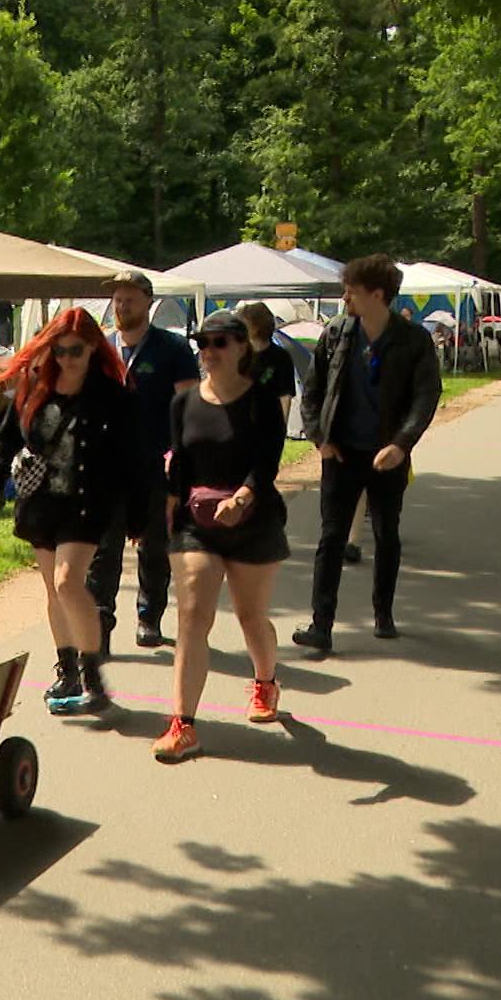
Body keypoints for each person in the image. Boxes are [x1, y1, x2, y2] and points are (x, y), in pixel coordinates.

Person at [0, 307, 140, 714]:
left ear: (92, 349)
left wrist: (140, 513)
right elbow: (7, 439)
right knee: (53, 589)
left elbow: (134, 457)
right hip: (40, 502)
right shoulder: (35, 385)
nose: (66, 359)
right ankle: (66, 670)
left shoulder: (111, 395)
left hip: (87, 503)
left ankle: (93, 677)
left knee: (68, 584)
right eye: (59, 350)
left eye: (76, 351)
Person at [152, 312, 291, 762]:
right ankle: (183, 724)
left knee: (251, 617)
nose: (208, 351)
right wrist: (166, 513)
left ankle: (266, 680)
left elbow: (267, 464)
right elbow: (180, 467)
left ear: (240, 348)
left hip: (254, 520)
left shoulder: (261, 400)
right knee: (192, 614)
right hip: (198, 524)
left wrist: (244, 498)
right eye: (202, 343)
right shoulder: (184, 403)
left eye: (219, 343)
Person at [292, 254, 442, 654]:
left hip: (386, 455)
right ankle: (321, 625)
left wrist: (401, 444)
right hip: (340, 453)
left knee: (386, 535)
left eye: (353, 292)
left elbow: (426, 396)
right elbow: (313, 390)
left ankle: (384, 614)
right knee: (331, 538)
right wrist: (320, 437)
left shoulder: (413, 340)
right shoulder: (338, 332)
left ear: (377, 295)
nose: (345, 298)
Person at [89, 270, 198, 654]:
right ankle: (99, 626)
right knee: (104, 551)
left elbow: (188, 408)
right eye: (117, 300)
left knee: (153, 547)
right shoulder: (99, 349)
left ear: (149, 302)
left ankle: (149, 616)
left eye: (130, 299)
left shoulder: (172, 349)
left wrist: (179, 460)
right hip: (108, 468)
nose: (122, 307)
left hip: (155, 465)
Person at [239, 302, 296, 421]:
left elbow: (285, 396)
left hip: (269, 424)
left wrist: (282, 425)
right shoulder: (239, 355)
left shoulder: (281, 357)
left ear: (256, 325)